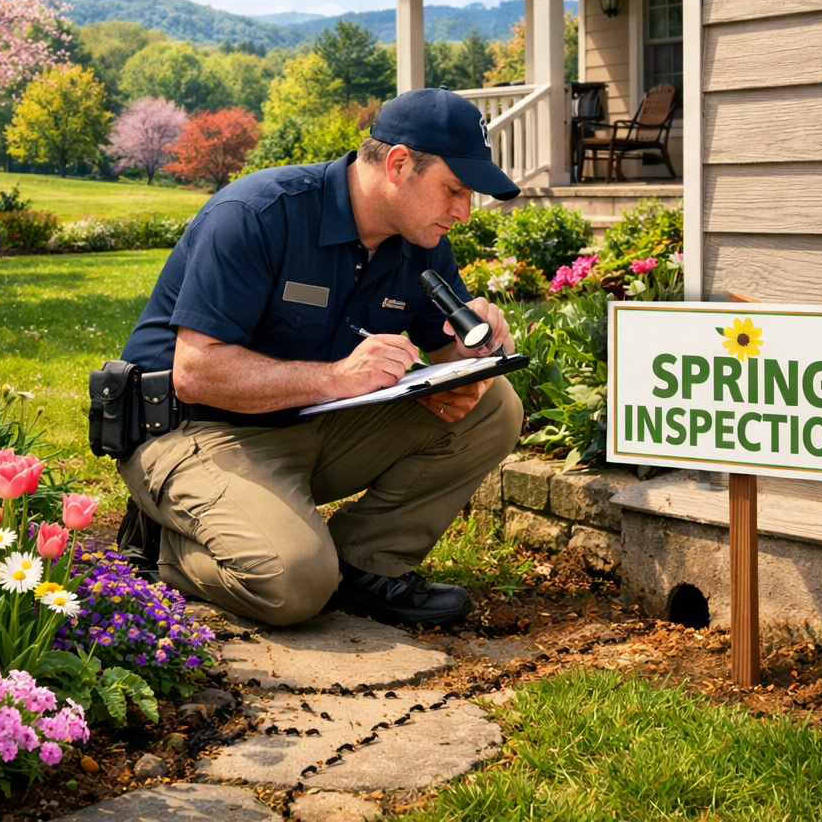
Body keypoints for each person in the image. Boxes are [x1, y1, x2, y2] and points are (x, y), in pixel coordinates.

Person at [117, 86, 524, 628]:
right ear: (399, 165)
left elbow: (449, 346)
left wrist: (484, 347)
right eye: (454, 190)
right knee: (293, 586)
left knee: (494, 404)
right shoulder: (257, 214)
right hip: (192, 431)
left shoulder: (421, 238)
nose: (464, 213)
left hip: (311, 423)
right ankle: (168, 540)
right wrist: (337, 377)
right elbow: (195, 374)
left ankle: (364, 564)